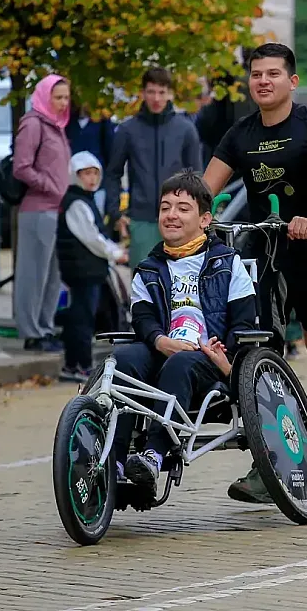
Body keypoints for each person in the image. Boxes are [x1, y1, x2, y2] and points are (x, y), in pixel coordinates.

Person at [203, 42, 307, 504]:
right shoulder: (241, 133)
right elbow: (203, 189)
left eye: (272, 74)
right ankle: (268, 461)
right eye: (256, 75)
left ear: (292, 81)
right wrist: (195, 214)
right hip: (265, 260)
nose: (263, 81)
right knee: (261, 358)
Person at [111, 172, 259, 498]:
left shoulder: (227, 264)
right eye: (165, 208)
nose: (171, 215)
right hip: (161, 347)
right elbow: (144, 318)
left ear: (205, 219)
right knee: (121, 358)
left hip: (208, 357)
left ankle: (153, 455)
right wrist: (161, 341)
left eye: (182, 208)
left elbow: (245, 325)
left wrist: (226, 359)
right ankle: (116, 461)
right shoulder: (149, 269)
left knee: (182, 364)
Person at [106, 68, 203, 266]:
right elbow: (113, 174)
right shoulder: (127, 130)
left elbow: (197, 178)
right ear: (142, 93)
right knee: (144, 288)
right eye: (151, 92)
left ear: (170, 94)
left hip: (180, 220)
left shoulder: (185, 129)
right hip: (142, 220)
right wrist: (116, 213)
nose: (156, 98)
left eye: (161, 92)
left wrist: (198, 217)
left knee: (180, 288)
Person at [12, 74, 72, 352]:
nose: (62, 103)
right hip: (37, 211)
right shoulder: (33, 123)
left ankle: (45, 328)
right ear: (44, 97)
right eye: (57, 98)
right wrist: (50, 187)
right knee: (33, 274)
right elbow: (21, 166)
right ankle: (31, 332)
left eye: (65, 98)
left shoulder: (57, 126)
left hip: (57, 211)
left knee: (53, 276)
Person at [56, 152, 129, 383]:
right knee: (82, 319)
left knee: (81, 316)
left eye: (95, 173)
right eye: (86, 173)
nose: (91, 178)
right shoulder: (77, 203)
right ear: (75, 175)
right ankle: (81, 365)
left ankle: (73, 364)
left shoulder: (83, 200)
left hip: (87, 270)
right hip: (82, 271)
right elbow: (92, 238)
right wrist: (115, 253)